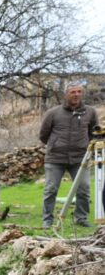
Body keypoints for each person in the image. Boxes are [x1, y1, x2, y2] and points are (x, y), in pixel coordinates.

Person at [40, 82, 100, 228]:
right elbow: (43, 135)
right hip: (55, 158)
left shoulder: (90, 112)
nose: (76, 95)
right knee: (51, 189)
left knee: (84, 189)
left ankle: (81, 218)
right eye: (73, 92)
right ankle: (47, 220)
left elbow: (95, 133)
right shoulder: (53, 113)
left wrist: (86, 146)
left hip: (80, 158)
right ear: (66, 94)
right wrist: (56, 144)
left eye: (79, 92)